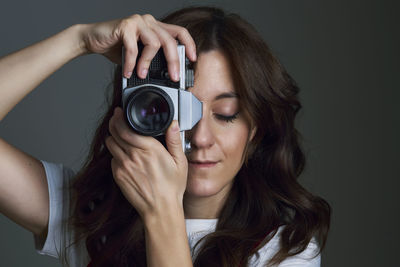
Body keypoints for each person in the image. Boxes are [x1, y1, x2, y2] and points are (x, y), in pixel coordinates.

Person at [0, 6, 331, 267]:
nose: (201, 137)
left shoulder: (285, 252)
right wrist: (78, 40)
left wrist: (161, 211)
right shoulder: (91, 219)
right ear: (139, 112)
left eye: (225, 114)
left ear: (255, 129)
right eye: (180, 110)